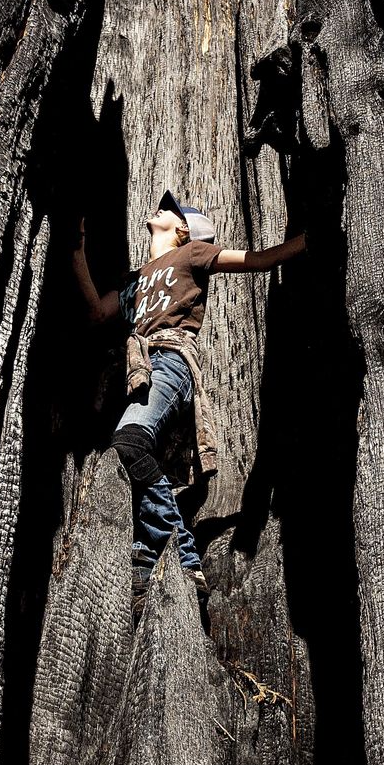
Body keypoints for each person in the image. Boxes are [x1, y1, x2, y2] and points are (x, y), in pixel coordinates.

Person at [72, 190, 307, 598]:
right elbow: (95, 313)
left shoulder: (193, 253)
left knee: (129, 442)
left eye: (172, 209)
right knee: (141, 468)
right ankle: (147, 568)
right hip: (137, 372)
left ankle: (182, 554)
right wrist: (76, 252)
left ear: (182, 229)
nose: (161, 207)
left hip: (170, 361)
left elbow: (257, 260)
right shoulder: (133, 280)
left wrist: (308, 240)